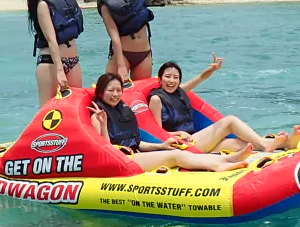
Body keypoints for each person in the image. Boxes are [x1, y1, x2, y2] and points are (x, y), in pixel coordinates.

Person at [89, 73, 251, 172]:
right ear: (101, 91)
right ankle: (219, 164)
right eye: (111, 90)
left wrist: (160, 145)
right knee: (176, 155)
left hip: (135, 153)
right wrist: (103, 124)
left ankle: (226, 160)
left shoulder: (123, 110)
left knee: (175, 151)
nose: (115, 94)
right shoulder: (97, 116)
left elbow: (136, 143)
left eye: (118, 90)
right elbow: (105, 151)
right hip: (123, 160)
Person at [148, 57, 300, 154]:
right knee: (229, 121)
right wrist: (180, 134)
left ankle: (286, 143)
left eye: (176, 77)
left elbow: (200, 78)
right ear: (160, 78)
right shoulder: (156, 99)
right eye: (167, 77)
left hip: (195, 141)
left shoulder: (179, 92)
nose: (171, 81)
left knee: (238, 144)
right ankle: (265, 145)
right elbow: (157, 133)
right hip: (182, 145)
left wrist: (213, 69)